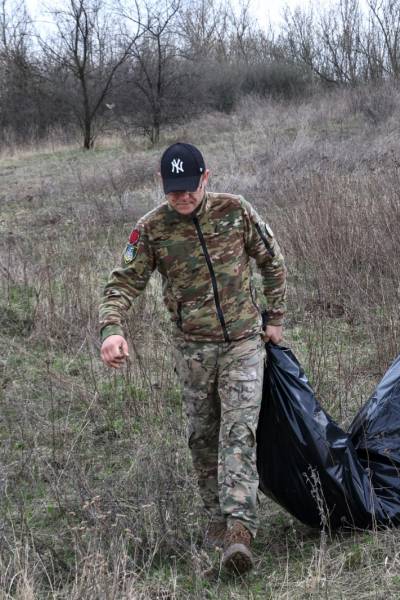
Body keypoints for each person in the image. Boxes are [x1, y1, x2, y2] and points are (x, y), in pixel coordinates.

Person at [98, 142, 286, 575]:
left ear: (206, 177)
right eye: (173, 191)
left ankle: (240, 532)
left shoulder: (235, 211)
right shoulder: (151, 229)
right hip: (193, 349)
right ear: (162, 186)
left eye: (189, 188)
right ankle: (216, 523)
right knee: (203, 435)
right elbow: (121, 284)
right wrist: (112, 330)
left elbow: (272, 261)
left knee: (238, 431)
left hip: (243, 343)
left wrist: (273, 317)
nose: (182, 198)